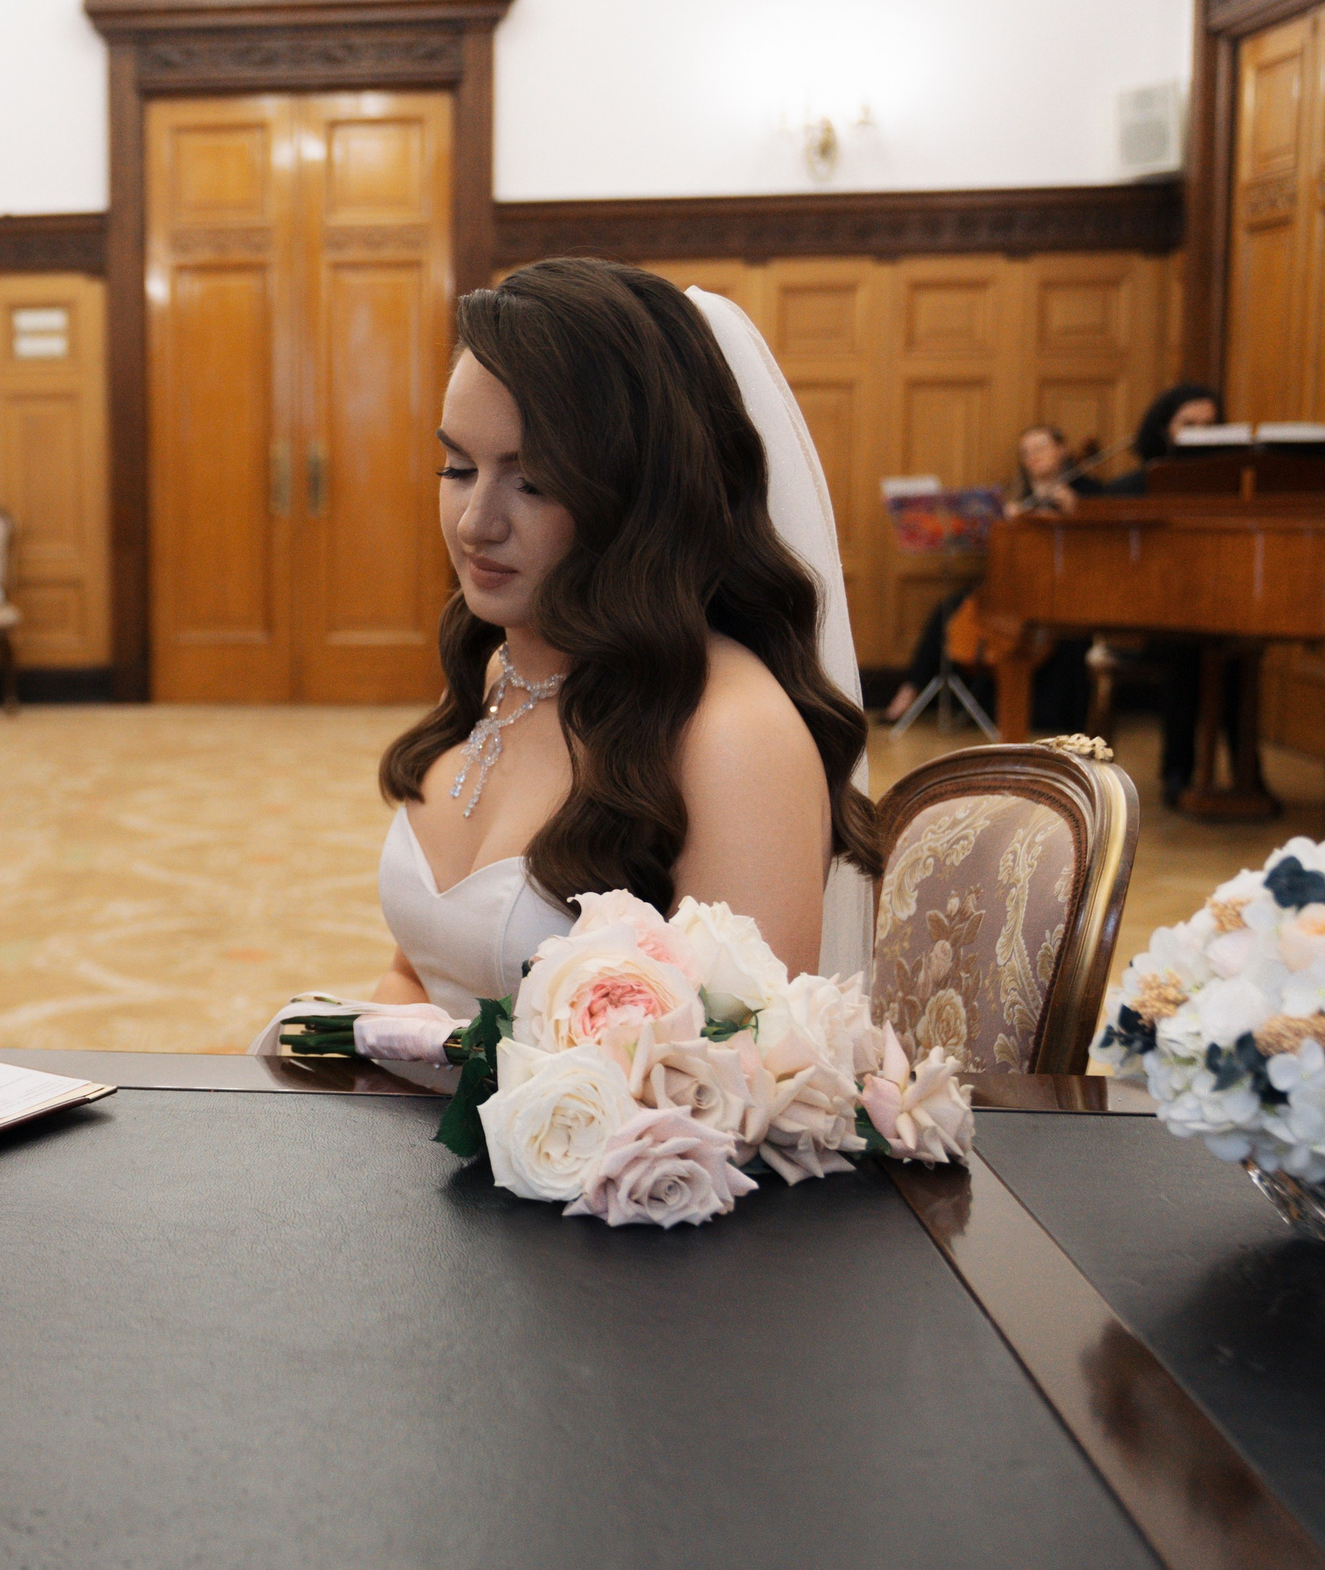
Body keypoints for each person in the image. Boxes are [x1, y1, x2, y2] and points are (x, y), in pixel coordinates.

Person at [363, 259, 882, 1031]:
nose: (476, 522)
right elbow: (422, 968)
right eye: (458, 467)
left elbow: (726, 1077)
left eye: (532, 481)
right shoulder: (506, 669)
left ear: (641, 492)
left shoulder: (731, 735)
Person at [879, 423, 1100, 730]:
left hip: (1063, 589)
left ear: (1062, 450)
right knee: (948, 609)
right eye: (1026, 452)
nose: (1032, 456)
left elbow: (1100, 548)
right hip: (1012, 583)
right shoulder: (1014, 495)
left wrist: (1076, 512)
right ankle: (909, 692)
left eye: (1040, 448)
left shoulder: (1087, 492)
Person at [1100, 384, 1226, 804]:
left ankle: (1248, 777)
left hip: (1213, 612)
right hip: (1143, 621)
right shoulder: (1131, 487)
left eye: (1210, 426)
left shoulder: (1228, 489)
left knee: (1236, 650)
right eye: (1189, 425)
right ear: (1163, 428)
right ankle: (1178, 772)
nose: (1199, 435)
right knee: (1184, 649)